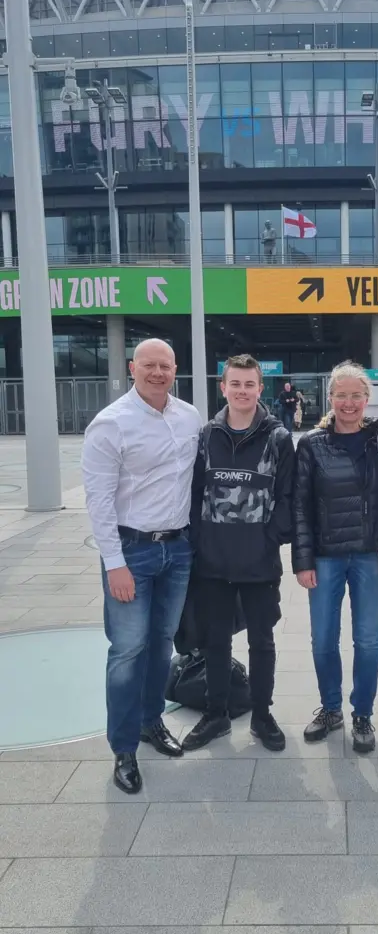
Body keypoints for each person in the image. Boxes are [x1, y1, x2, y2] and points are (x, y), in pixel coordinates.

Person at [82, 338, 201, 795]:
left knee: (161, 644)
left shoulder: (188, 416)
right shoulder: (110, 424)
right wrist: (114, 565)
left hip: (178, 550)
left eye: (165, 365)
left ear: (176, 369)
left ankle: (153, 722)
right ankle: (124, 748)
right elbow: (98, 502)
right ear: (133, 368)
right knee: (127, 652)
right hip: (131, 551)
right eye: (148, 365)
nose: (157, 372)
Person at [182, 354, 294, 753]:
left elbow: (288, 498)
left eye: (250, 384)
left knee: (262, 642)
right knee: (215, 642)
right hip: (212, 563)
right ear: (223, 387)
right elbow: (194, 494)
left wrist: (268, 540)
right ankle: (216, 714)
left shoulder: (278, 438)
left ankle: (262, 715)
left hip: (259, 563)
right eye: (236, 384)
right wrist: (199, 542)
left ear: (260, 389)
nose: (242, 391)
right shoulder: (206, 436)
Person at [293, 363, 378, 753]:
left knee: (367, 641)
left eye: (356, 395)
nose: (349, 403)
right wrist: (303, 560)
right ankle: (331, 709)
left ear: (367, 398)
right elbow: (299, 505)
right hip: (327, 557)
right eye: (341, 395)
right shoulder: (312, 444)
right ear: (330, 398)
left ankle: (361, 712)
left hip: (369, 557)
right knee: (323, 640)